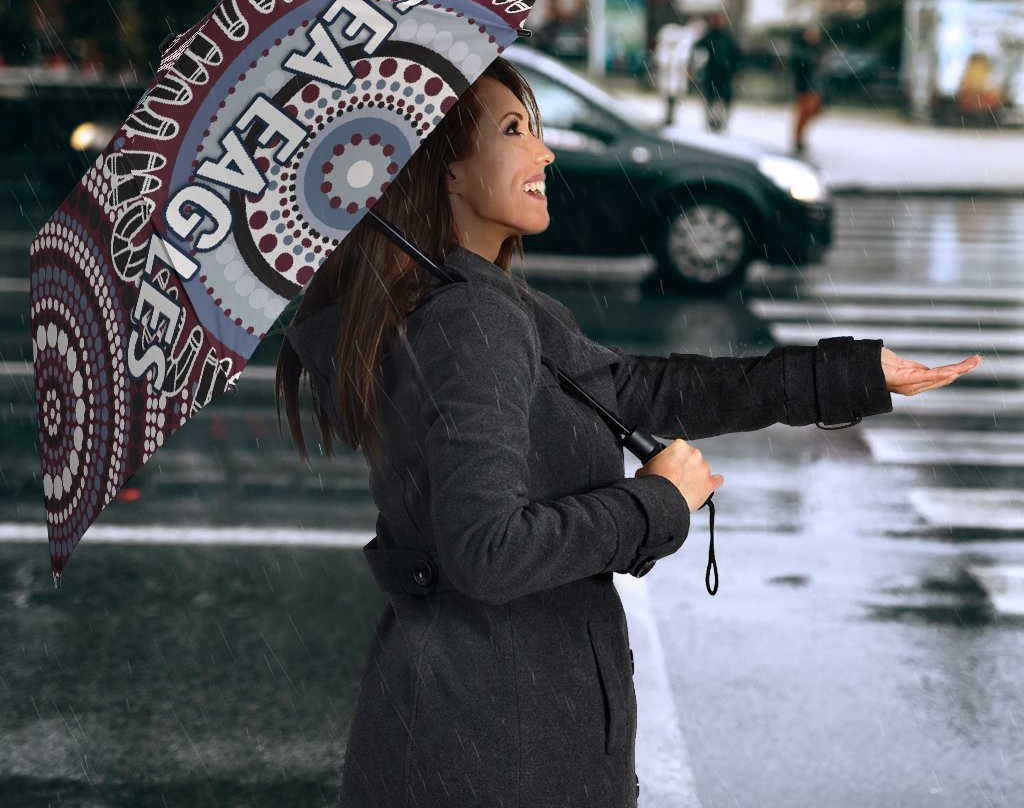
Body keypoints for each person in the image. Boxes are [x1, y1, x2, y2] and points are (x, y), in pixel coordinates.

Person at [276, 57, 981, 808]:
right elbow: (487, 551)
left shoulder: (482, 305)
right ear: (445, 170)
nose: (544, 152)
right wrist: (654, 503)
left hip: (483, 727)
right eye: (514, 131)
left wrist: (848, 374)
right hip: (496, 747)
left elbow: (644, 389)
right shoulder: (469, 321)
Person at [691, 11, 742, 132]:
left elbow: (736, 54)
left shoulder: (726, 36)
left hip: (724, 73)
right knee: (712, 97)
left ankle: (720, 121)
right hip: (713, 72)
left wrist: (736, 69)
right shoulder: (710, 35)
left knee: (722, 98)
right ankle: (711, 120)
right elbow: (698, 48)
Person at [790, 24, 824, 154]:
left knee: (814, 110)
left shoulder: (814, 50)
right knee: (804, 113)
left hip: (814, 86)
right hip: (805, 86)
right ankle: (798, 139)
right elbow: (799, 69)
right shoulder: (800, 50)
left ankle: (800, 138)